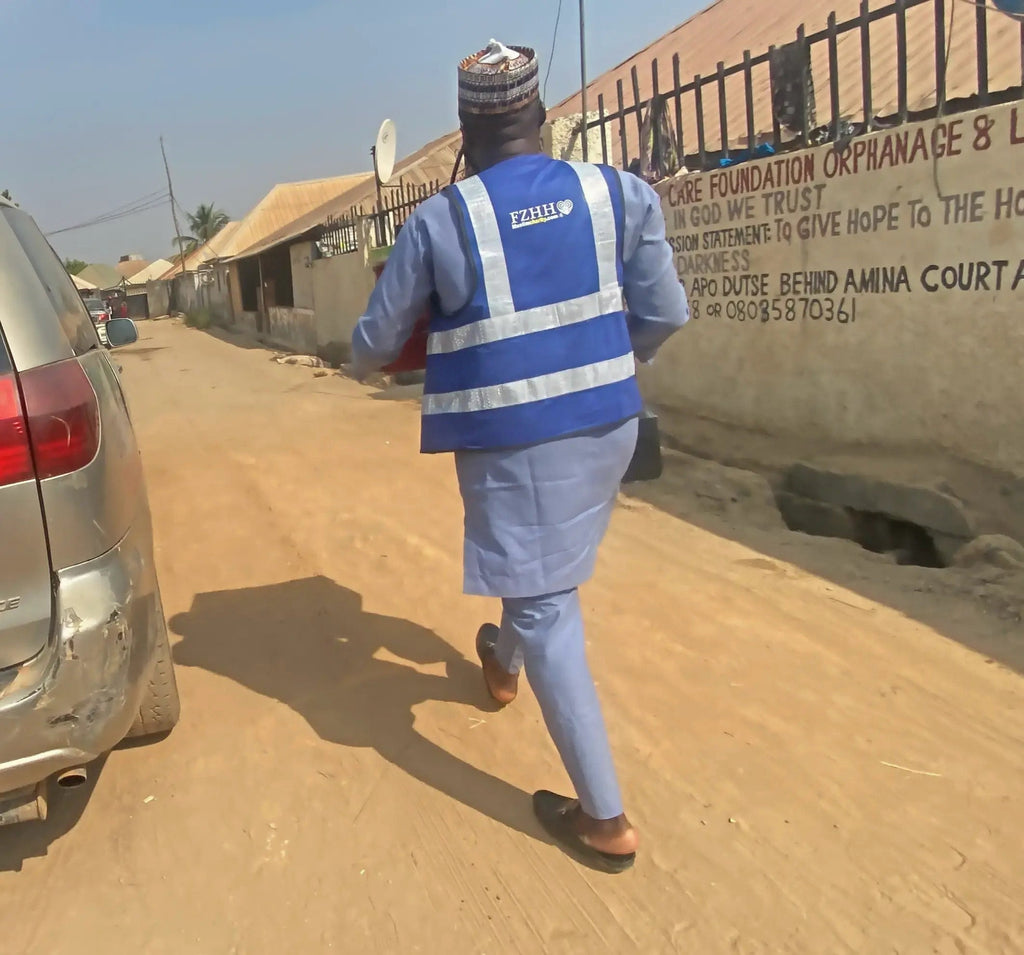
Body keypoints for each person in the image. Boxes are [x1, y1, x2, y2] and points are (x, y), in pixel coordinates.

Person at [350, 40, 689, 873]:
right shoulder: (621, 194)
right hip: (610, 430)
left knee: (545, 601)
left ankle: (605, 819)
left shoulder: (440, 219)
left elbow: (371, 347)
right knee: (544, 566)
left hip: (510, 444)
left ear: (465, 128)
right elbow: (666, 313)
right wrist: (601, 366)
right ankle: (502, 664)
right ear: (541, 119)